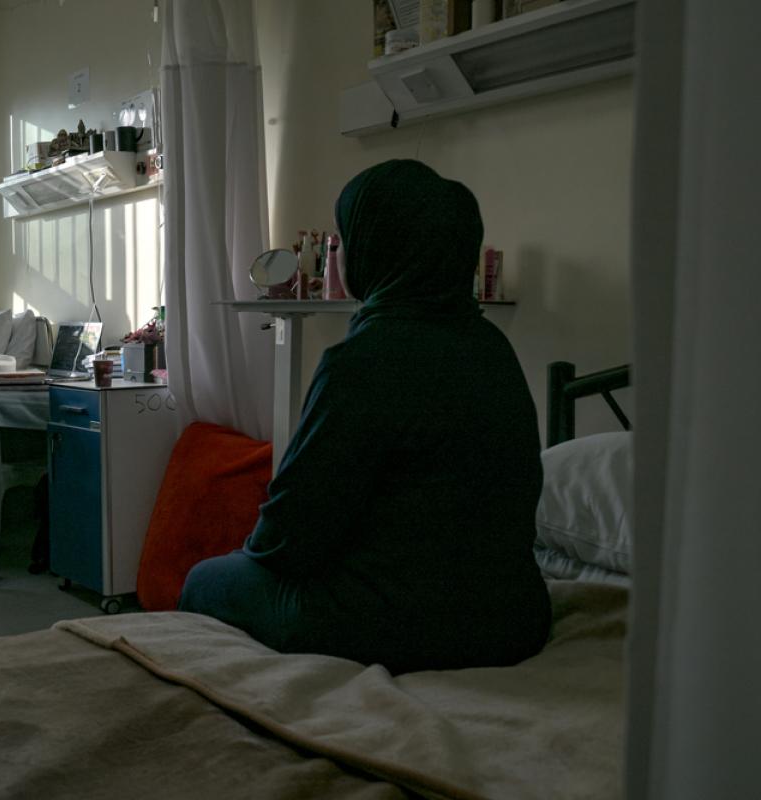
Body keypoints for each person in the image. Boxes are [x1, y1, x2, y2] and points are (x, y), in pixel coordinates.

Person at [178, 160, 551, 674]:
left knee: (207, 579)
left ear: (375, 249)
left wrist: (252, 559)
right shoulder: (493, 348)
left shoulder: (364, 362)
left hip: (400, 625)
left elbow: (290, 540)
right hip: (515, 620)